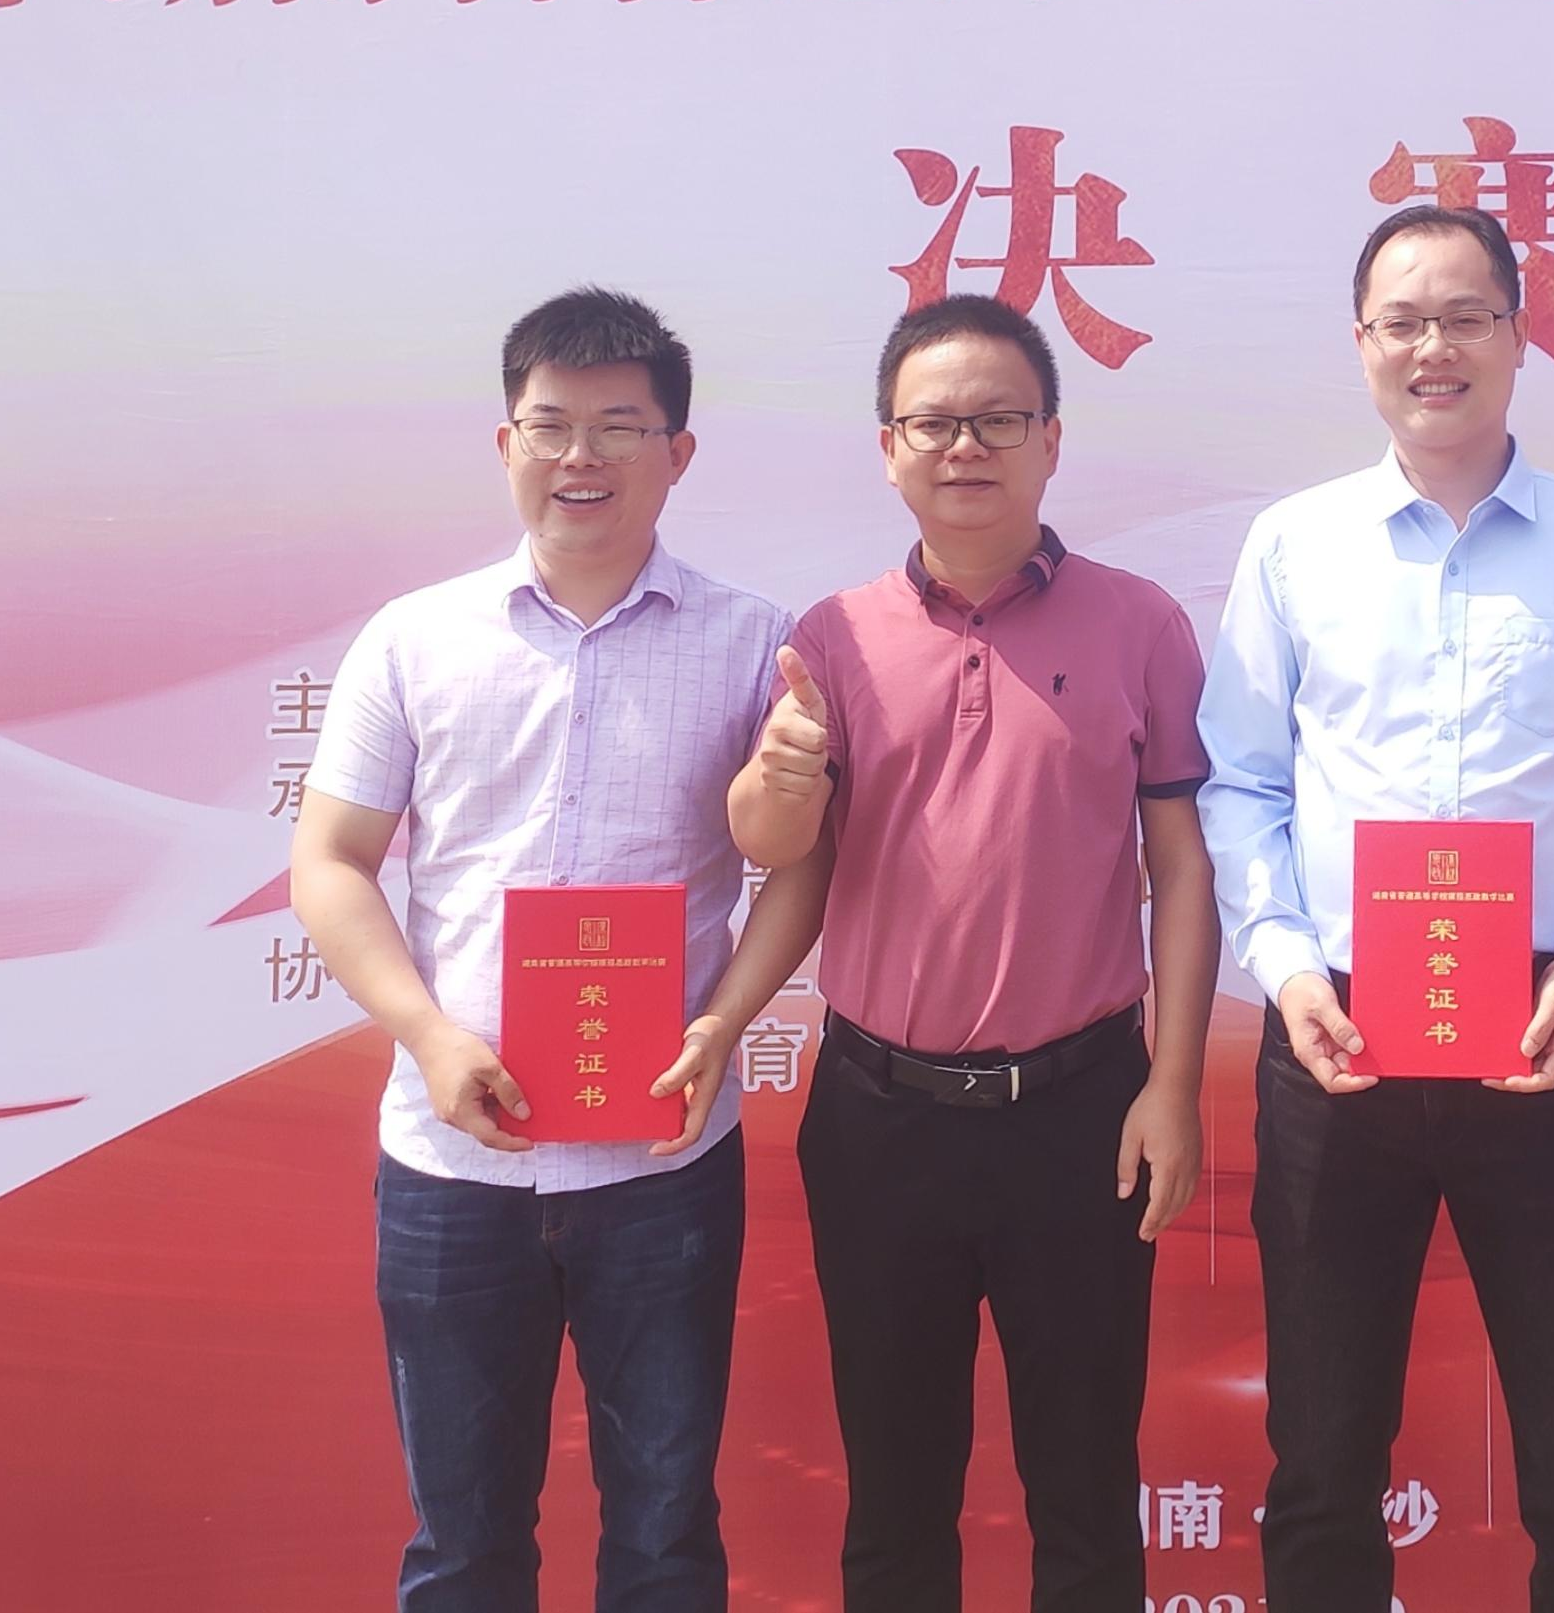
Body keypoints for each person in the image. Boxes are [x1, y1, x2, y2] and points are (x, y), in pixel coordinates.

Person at [1197, 203, 1554, 1613]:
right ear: (1360, 343)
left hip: (1542, 1028)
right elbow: (1239, 780)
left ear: (1517, 333)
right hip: (1334, 1041)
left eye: (1465, 317)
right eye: (1402, 321)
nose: (1433, 348)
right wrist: (1285, 967)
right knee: (1321, 1455)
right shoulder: (1294, 546)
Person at [289, 285, 808, 1613]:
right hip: (454, 1164)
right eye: (551, 425)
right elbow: (331, 863)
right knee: (462, 1545)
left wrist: (724, 1020)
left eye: (620, 427)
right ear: (505, 443)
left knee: (665, 1537)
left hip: (661, 1164)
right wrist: (429, 1037)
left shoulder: (754, 643)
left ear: (677, 453)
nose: (582, 456)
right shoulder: (416, 639)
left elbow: (800, 867)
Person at [724, 293, 1217, 1613]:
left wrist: (1172, 1088)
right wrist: (775, 788)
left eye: (999, 419)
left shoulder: (1141, 625)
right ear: (887, 448)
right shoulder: (831, 637)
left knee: (1085, 1492)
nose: (965, 448)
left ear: (1052, 439)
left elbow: (1180, 869)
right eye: (933, 423)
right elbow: (782, 849)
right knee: (896, 1497)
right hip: (878, 1118)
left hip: (1083, 1115)